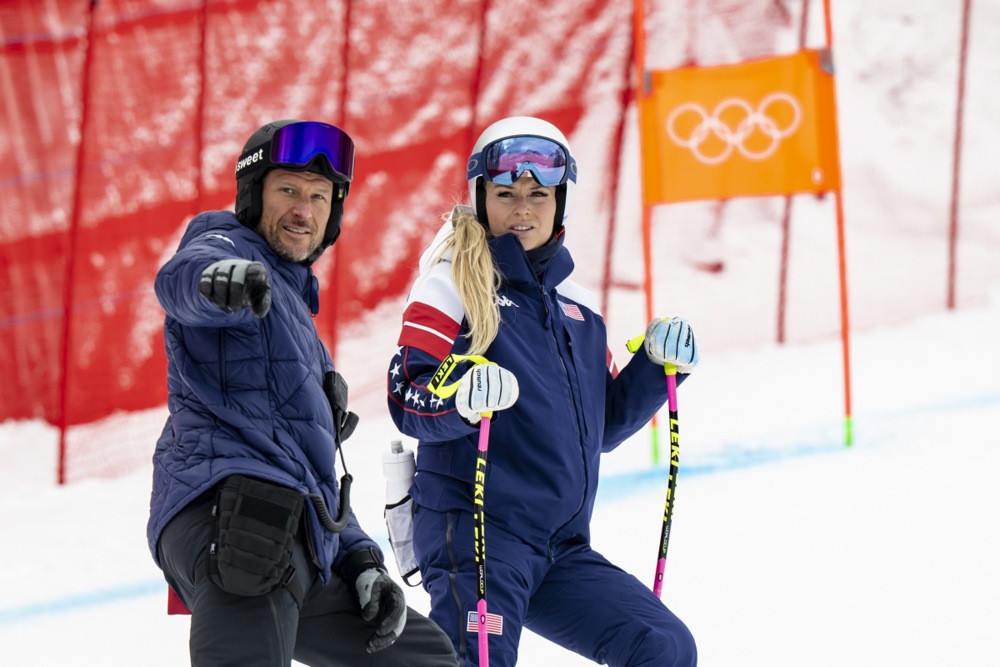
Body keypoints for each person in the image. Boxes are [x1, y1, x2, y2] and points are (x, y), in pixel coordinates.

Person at [386, 116, 700, 666]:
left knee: (663, 646)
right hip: (478, 535)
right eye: (505, 195)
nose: (522, 210)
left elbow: (600, 428)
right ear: (481, 199)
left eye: (538, 195)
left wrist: (655, 368)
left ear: (561, 204)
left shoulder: (578, 308)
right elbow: (406, 394)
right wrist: (460, 397)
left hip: (561, 547)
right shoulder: (451, 284)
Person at [148, 119, 458, 666]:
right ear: (254, 195)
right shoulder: (226, 243)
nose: (303, 211)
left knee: (424, 656)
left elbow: (311, 472)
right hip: (235, 512)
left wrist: (361, 560)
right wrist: (219, 281)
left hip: (296, 534)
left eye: (319, 197)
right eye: (288, 190)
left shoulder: (300, 325)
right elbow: (183, 278)